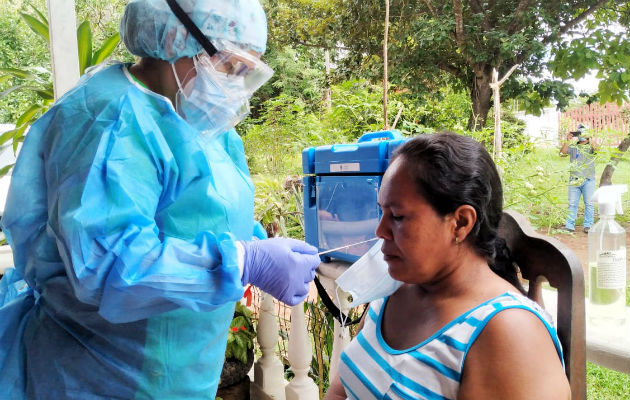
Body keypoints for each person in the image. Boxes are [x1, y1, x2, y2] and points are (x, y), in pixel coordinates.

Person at [0, 1, 321, 399]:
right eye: (231, 66)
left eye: (247, 71)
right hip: (102, 373)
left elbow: (206, 214)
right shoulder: (110, 119)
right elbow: (107, 265)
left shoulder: (203, 123)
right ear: (177, 39)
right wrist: (243, 260)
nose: (236, 85)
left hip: (178, 373)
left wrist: (257, 245)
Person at [325, 133, 570, 400]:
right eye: (381, 212)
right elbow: (341, 390)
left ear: (461, 223)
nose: (380, 230)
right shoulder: (394, 287)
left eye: (397, 216)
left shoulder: (509, 334)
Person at [560, 123, 598, 233]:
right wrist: (567, 140)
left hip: (588, 180)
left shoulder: (591, 147)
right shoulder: (573, 147)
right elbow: (562, 152)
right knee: (572, 204)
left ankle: (588, 225)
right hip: (574, 180)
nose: (581, 135)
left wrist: (590, 137)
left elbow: (597, 149)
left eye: (583, 133)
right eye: (580, 132)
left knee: (589, 204)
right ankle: (569, 226)